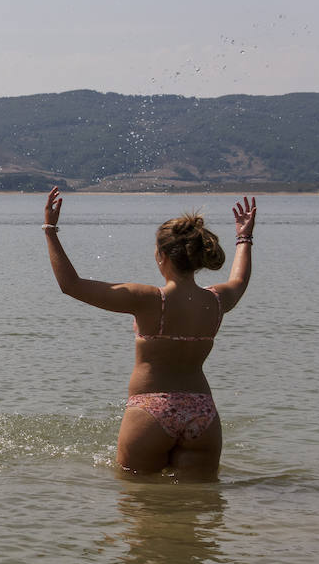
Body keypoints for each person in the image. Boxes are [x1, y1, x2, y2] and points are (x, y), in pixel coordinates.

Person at [42, 188, 256, 480]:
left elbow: (71, 285)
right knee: (198, 505)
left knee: (138, 505)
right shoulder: (216, 301)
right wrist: (244, 238)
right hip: (202, 412)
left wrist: (50, 230)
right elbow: (239, 280)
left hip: (151, 409)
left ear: (163, 256)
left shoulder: (149, 299)